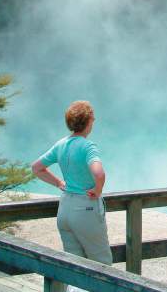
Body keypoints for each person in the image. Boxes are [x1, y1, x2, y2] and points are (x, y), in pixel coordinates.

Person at [31, 100, 111, 263]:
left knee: (74, 264)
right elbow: (99, 173)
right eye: (93, 118)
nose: (94, 121)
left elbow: (36, 168)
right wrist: (98, 189)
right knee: (102, 263)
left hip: (65, 209)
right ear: (88, 121)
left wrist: (59, 183)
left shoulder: (61, 144)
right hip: (86, 208)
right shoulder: (88, 146)